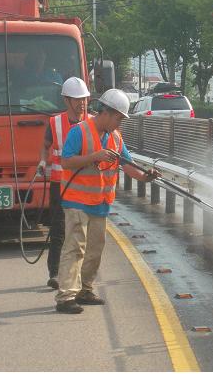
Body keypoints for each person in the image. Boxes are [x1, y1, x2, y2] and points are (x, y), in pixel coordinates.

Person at [54, 88, 160, 314]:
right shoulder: (79, 132)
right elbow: (66, 162)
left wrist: (145, 176)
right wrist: (95, 156)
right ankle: (66, 297)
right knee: (75, 248)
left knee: (95, 249)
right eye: (119, 118)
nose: (119, 123)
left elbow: (128, 165)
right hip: (76, 200)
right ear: (107, 112)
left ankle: (84, 289)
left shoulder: (115, 137)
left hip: (100, 203)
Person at [38, 77, 91, 290]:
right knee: (59, 229)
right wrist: (43, 161)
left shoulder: (93, 122)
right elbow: (45, 145)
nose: (82, 103)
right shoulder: (55, 123)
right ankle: (55, 273)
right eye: (77, 99)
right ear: (67, 100)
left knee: (82, 232)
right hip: (60, 184)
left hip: (84, 186)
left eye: (85, 99)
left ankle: (78, 277)